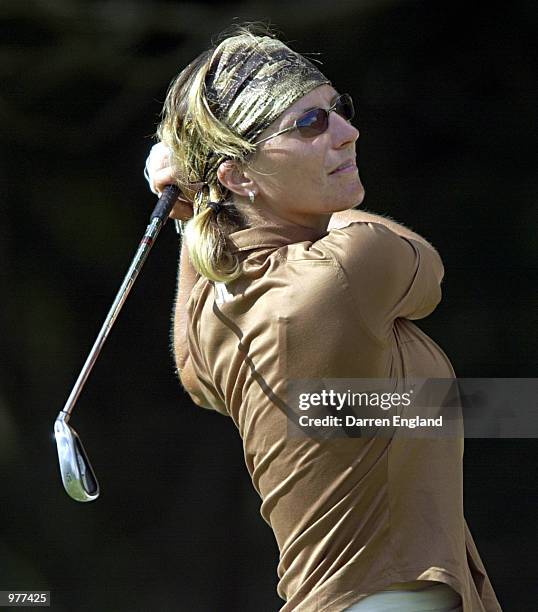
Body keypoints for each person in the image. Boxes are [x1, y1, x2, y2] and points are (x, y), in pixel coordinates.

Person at [144, 24, 502, 612]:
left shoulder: (218, 308)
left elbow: (195, 372)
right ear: (238, 175)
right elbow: (429, 276)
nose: (348, 132)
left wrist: (194, 212)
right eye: (310, 124)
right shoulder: (347, 269)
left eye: (337, 109)